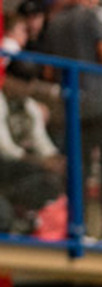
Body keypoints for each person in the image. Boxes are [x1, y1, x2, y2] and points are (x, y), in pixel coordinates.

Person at [43, 0, 102, 241]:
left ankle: (78, 226)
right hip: (101, 102)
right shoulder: (95, 16)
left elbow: (49, 71)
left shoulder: (55, 22)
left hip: (72, 103)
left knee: (79, 168)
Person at [0, 59, 65, 234]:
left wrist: (55, 160)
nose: (26, 88)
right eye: (22, 82)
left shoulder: (30, 107)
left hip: (18, 169)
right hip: (5, 164)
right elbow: (5, 148)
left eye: (29, 83)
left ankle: (27, 219)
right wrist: (41, 162)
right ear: (8, 79)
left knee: (53, 178)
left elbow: (41, 142)